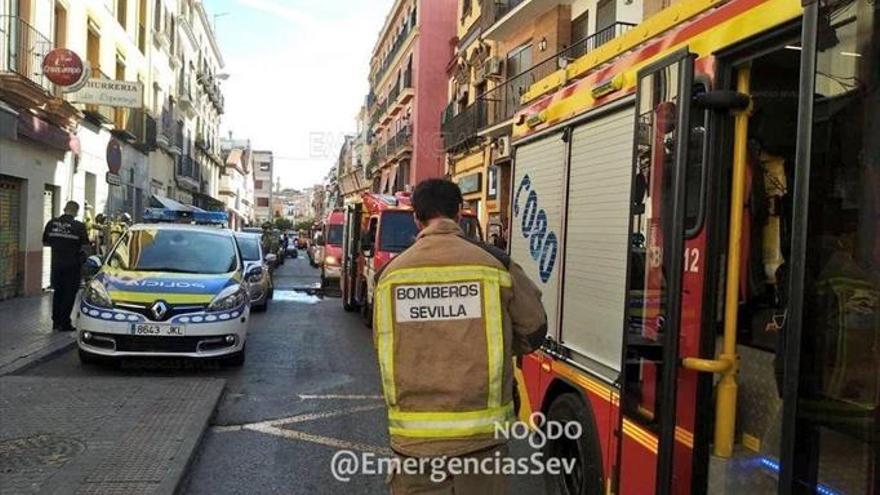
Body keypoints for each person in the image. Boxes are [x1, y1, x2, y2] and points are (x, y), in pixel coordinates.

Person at [374, 179, 547, 494]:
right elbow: (535, 328)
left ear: (416, 217)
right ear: (460, 211)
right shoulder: (496, 264)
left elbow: (383, 345)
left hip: (414, 443)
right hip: (481, 442)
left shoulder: (390, 276)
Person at [42, 201, 89, 332]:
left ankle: (56, 322)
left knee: (58, 292)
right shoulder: (79, 226)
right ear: (76, 212)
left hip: (56, 264)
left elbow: (45, 242)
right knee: (69, 294)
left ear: (64, 209)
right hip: (73, 265)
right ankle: (65, 323)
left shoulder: (51, 223)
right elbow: (85, 246)